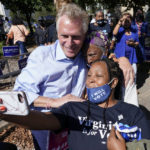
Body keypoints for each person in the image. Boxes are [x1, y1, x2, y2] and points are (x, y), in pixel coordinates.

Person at [13, 3, 135, 150]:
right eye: (64, 36)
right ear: (57, 32)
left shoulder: (83, 54)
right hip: (48, 126)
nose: (70, 43)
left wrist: (122, 60)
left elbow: (100, 55)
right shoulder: (41, 56)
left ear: (84, 36)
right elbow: (19, 95)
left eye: (76, 37)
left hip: (78, 126)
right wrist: (54, 101)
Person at [1, 58, 150, 150]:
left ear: (114, 82)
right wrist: (6, 111)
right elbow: (42, 120)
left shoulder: (133, 113)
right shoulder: (74, 108)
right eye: (89, 75)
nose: (90, 80)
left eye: (98, 76)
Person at [113, 13, 139, 106]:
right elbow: (114, 33)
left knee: (133, 78)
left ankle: (131, 101)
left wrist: (133, 43)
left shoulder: (134, 30)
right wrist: (120, 21)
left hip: (132, 59)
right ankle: (122, 100)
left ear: (131, 21)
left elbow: (137, 43)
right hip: (121, 59)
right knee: (122, 80)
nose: (127, 22)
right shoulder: (120, 29)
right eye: (125, 20)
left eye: (128, 20)